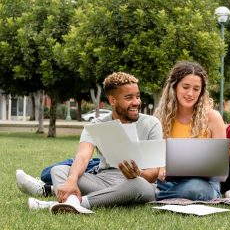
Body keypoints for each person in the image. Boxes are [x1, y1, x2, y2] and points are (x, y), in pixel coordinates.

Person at [26, 72, 162, 214]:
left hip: (138, 184)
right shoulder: (97, 125)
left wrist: (138, 174)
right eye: (129, 98)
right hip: (103, 182)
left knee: (137, 185)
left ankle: (75, 203)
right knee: (59, 170)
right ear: (112, 100)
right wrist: (72, 179)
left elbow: (153, 173)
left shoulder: (151, 124)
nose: (136, 102)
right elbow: (83, 156)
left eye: (138, 96)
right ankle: (72, 203)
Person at [153, 61, 226, 201]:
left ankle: (158, 196)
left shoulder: (213, 118)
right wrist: (160, 169)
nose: (190, 93)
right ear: (174, 87)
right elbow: (154, 159)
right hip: (167, 182)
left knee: (196, 189)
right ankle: (165, 193)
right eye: (185, 87)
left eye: (196, 89)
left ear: (201, 92)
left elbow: (220, 168)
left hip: (203, 183)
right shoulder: (160, 118)